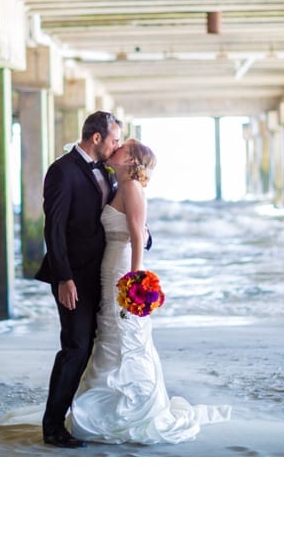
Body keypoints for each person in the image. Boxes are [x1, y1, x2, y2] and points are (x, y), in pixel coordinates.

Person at [67, 138, 231, 444]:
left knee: (124, 330)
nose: (115, 149)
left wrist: (135, 278)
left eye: (122, 148)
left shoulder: (130, 188)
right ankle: (109, 409)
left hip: (121, 266)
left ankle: (130, 410)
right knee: (111, 332)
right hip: (109, 264)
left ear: (130, 161)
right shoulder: (119, 186)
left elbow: (137, 235)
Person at [36, 111, 123, 448]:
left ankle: (89, 418)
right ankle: (53, 426)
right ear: (97, 138)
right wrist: (64, 278)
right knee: (75, 347)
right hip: (74, 276)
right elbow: (53, 228)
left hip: (104, 273)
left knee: (97, 347)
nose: (117, 145)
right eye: (114, 139)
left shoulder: (107, 168)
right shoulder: (62, 171)